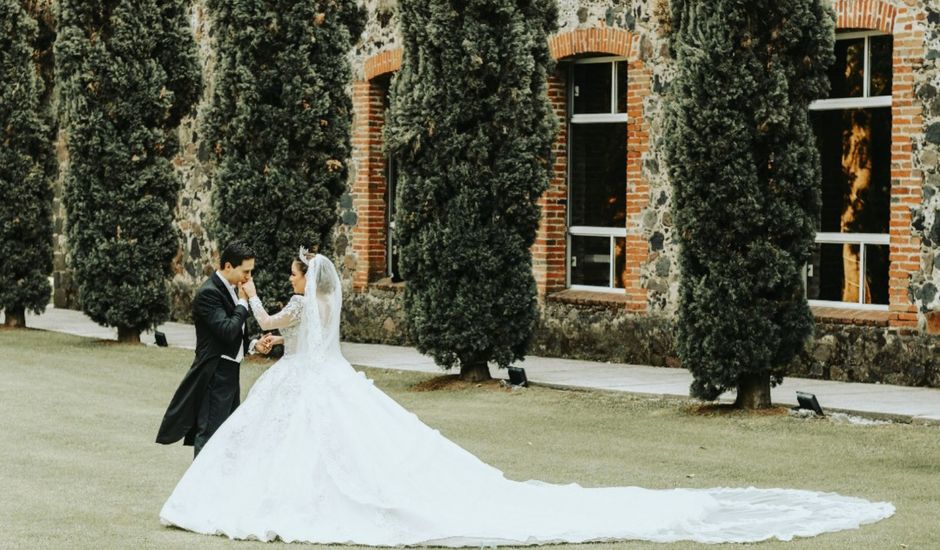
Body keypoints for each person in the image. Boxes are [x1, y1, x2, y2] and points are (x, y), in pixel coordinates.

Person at [160, 248, 894, 546]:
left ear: (301, 278)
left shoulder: (294, 307)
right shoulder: (323, 306)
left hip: (303, 384)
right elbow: (271, 331)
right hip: (318, 382)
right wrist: (259, 320)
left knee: (310, 459)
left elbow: (264, 325)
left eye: (285, 271)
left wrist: (256, 303)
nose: (283, 277)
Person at [155, 242, 275, 458]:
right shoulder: (208, 293)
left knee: (229, 434)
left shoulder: (233, 289)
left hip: (230, 372)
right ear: (228, 266)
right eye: (245, 271)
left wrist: (252, 344)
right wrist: (243, 302)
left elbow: (233, 335)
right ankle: (199, 489)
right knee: (209, 435)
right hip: (214, 373)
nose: (249, 277)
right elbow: (227, 330)